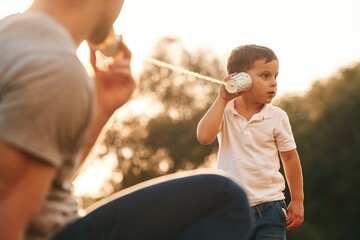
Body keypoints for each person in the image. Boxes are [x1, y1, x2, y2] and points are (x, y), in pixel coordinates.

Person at [0, 0, 253, 239]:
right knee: (223, 198)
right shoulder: (54, 70)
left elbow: (42, 183)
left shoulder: (11, 38)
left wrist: (101, 110)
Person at [197, 44, 304, 239]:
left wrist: (297, 200)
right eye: (265, 76)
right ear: (241, 79)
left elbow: (290, 159)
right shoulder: (225, 111)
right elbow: (204, 137)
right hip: (231, 208)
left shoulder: (277, 116)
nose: (273, 83)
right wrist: (221, 100)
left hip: (271, 206)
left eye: (275, 76)